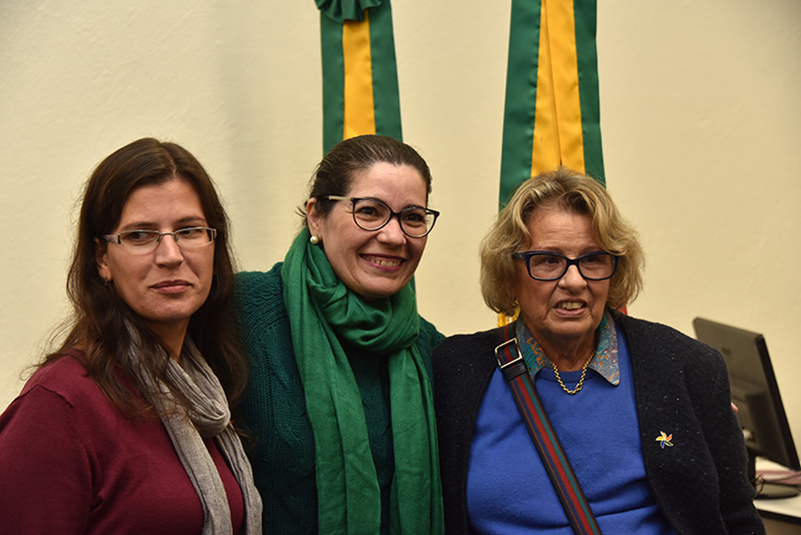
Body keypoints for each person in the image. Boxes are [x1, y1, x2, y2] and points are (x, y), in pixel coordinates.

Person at [433, 167, 764, 534]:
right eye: (548, 260)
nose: (573, 281)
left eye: (592, 259)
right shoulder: (453, 372)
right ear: (510, 272)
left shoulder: (688, 367)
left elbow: (736, 517)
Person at [0, 138, 262, 534]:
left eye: (189, 230)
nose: (171, 254)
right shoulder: (60, 405)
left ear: (214, 244)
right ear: (102, 259)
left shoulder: (204, 392)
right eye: (140, 235)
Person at [235, 134, 445, 534]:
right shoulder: (242, 313)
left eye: (413, 217)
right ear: (316, 216)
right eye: (369, 211)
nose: (395, 236)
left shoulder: (430, 350)